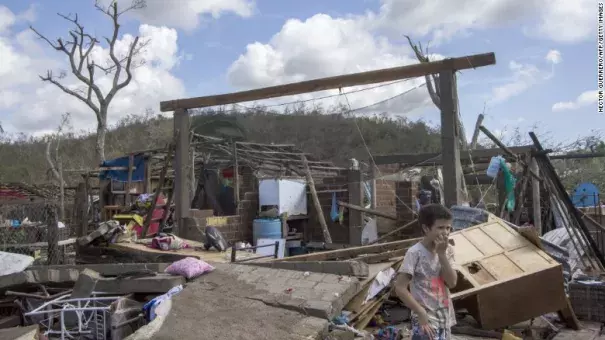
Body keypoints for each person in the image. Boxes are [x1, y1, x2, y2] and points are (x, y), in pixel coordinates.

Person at [394, 204, 457, 340]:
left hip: (444, 317)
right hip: (424, 319)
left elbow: (451, 283)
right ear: (426, 228)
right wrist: (420, 312)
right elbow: (400, 288)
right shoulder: (415, 253)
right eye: (440, 227)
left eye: (448, 228)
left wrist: (442, 254)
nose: (445, 232)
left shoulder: (448, 250)